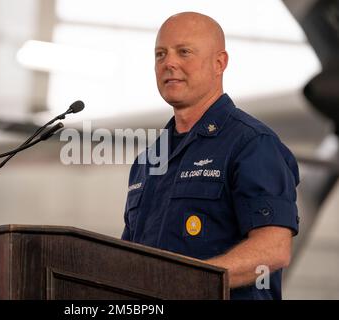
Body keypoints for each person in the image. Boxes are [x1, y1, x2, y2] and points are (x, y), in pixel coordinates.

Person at [121, 12, 300, 300]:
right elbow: (128, 260)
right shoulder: (148, 161)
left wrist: (183, 283)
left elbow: (273, 250)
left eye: (184, 52)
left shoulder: (252, 144)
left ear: (220, 63)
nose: (169, 63)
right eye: (160, 54)